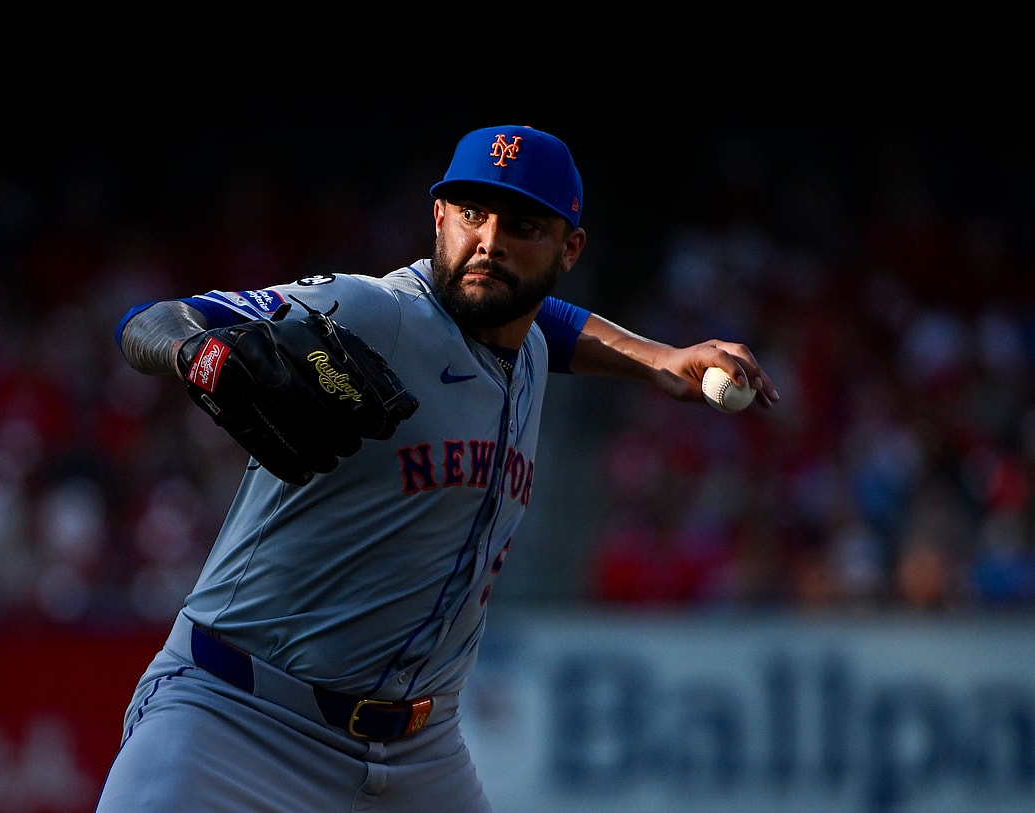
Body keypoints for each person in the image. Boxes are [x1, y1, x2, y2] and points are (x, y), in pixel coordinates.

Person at [93, 124, 779, 812]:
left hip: (420, 756)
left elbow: (548, 322)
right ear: (439, 216)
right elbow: (149, 320)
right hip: (239, 723)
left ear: (569, 249)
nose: (489, 241)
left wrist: (658, 359)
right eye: (472, 214)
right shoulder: (378, 312)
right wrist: (204, 355)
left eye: (523, 225)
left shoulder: (529, 339)